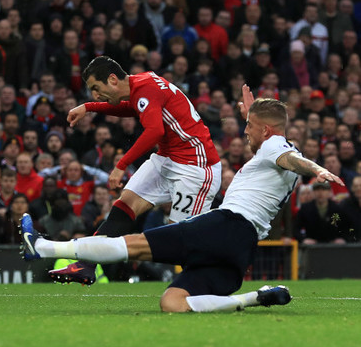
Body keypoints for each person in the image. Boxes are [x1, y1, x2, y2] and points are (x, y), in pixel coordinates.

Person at [22, 90, 345, 312]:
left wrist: (316, 168)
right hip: (240, 250)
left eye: (247, 125)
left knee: (134, 244)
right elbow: (279, 150)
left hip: (226, 225)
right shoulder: (273, 145)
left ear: (264, 129)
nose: (244, 132)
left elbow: (289, 158)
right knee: (173, 303)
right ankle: (256, 298)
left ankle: (46, 249)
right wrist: (250, 112)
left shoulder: (277, 147)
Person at [50, 56, 221, 285]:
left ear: (112, 79)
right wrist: (89, 107)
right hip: (167, 158)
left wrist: (121, 165)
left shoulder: (145, 88)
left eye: (96, 89)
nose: (95, 95)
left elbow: (154, 131)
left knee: (181, 239)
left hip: (196, 167)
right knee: (124, 206)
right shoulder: (140, 85)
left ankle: (218, 276)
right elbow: (130, 108)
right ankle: (87, 264)